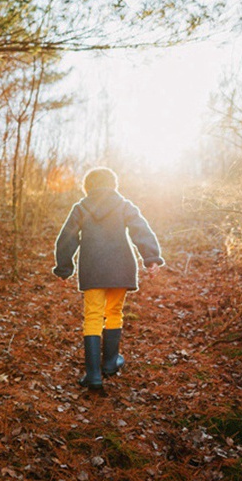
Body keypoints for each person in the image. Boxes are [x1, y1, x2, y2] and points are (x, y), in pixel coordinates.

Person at [52, 167, 164, 390]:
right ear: (113, 185)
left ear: (88, 186)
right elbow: (140, 229)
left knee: (93, 316)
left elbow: (67, 237)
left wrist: (64, 268)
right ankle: (110, 362)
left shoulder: (81, 207)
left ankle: (93, 374)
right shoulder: (123, 205)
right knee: (114, 312)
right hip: (121, 267)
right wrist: (151, 258)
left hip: (93, 269)